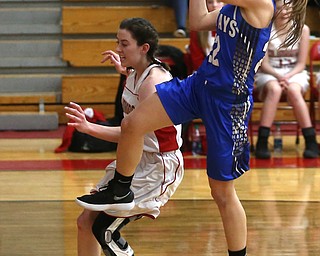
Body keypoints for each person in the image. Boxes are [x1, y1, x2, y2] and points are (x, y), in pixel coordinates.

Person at [75, 0, 308, 255]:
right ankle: (120, 190)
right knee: (132, 123)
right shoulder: (233, 9)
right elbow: (197, 22)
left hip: (228, 102)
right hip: (200, 85)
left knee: (221, 192)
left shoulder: (261, 4)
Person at [65, 17, 184, 256]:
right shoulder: (135, 72)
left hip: (158, 166)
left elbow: (131, 134)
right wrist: (125, 69)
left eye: (124, 43)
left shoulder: (153, 83)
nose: (118, 49)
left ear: (144, 48)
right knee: (85, 222)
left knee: (104, 230)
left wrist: (89, 128)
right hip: (135, 160)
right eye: (117, 42)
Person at [254, 0, 318, 159]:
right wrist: (279, 77)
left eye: (288, 7)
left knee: (294, 90)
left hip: (294, 72)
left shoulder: (303, 30)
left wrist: (287, 77)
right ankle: (262, 141)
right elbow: (264, 64)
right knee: (275, 90)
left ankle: (311, 141)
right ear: (274, 9)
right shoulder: (265, 29)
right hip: (269, 72)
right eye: (281, 8)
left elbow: (302, 63)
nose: (285, 12)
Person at [187, 0, 224, 72]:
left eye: (218, 1)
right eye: (210, 2)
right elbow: (197, 60)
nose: (214, 5)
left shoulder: (234, 26)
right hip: (204, 74)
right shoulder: (197, 31)